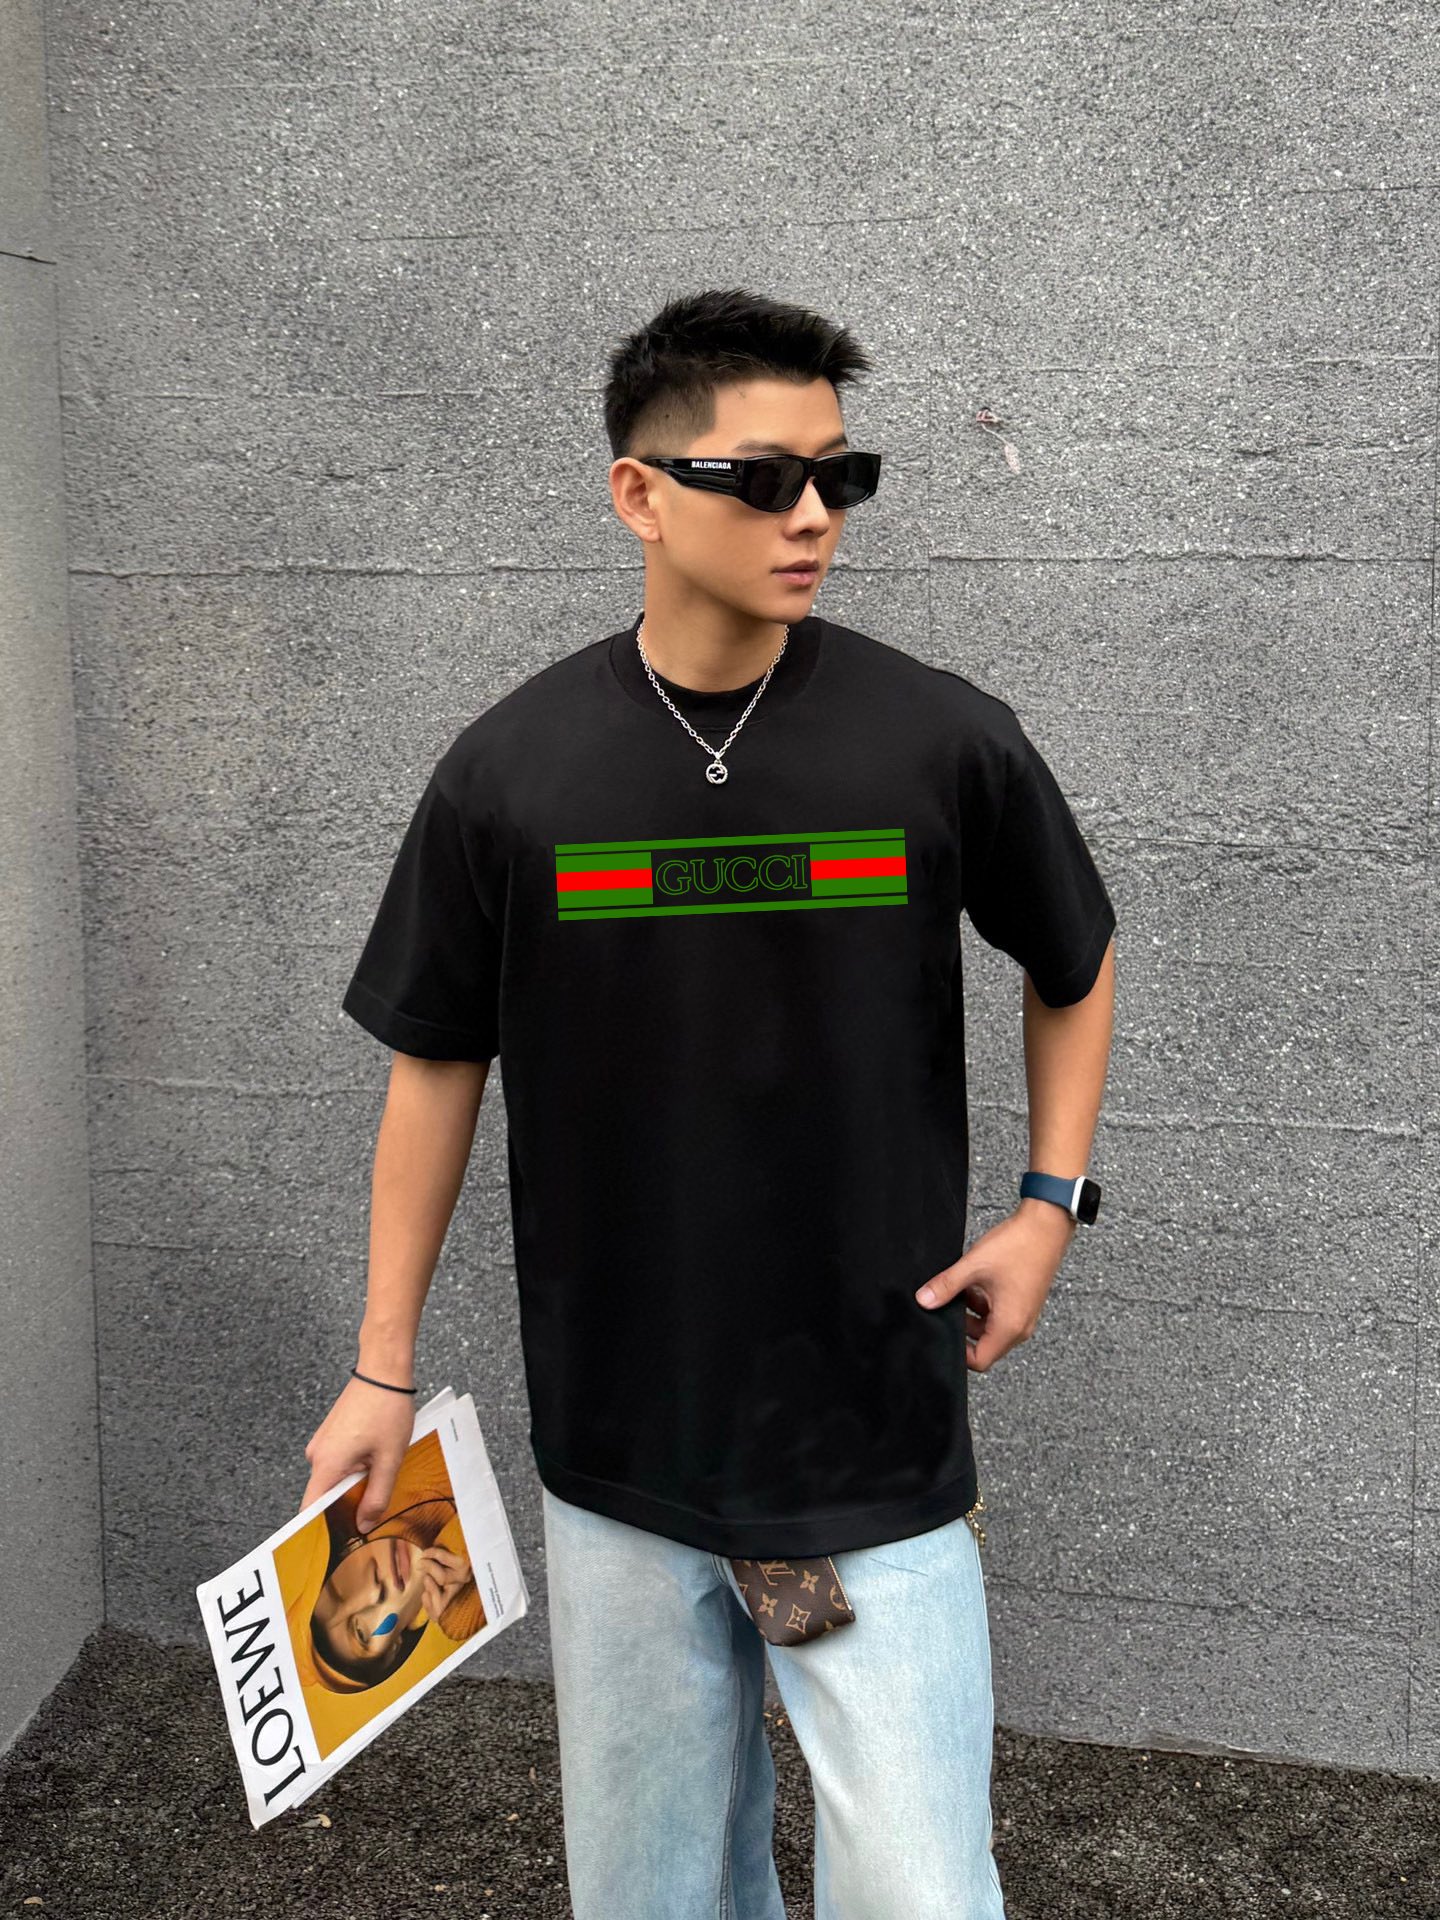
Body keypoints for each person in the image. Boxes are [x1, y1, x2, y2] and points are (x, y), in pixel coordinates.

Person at [300, 286, 1117, 1919]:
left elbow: (1074, 957)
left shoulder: (940, 743)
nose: (812, 516)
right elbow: (437, 1060)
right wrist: (380, 1366)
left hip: (872, 1430)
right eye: (763, 478)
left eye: (840, 476)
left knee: (925, 1892)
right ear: (640, 493)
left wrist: (1051, 1205)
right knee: (651, 1893)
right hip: (623, 1445)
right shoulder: (511, 774)